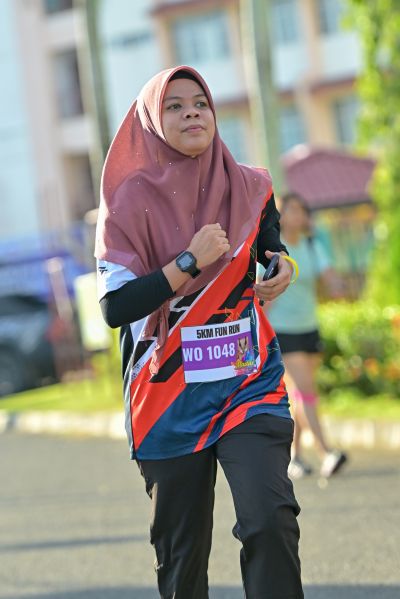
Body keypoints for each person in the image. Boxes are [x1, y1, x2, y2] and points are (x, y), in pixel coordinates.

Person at [95, 65, 304, 599]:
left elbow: (270, 245)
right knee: (182, 559)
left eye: (200, 103)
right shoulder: (125, 202)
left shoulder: (250, 186)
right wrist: (187, 262)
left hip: (247, 382)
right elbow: (115, 306)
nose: (192, 113)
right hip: (166, 396)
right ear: (151, 119)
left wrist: (281, 266)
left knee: (270, 519)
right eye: (175, 105)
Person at [260, 192, 348, 480]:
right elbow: (263, 292)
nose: (298, 215)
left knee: (302, 394)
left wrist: (338, 285)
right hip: (283, 331)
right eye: (292, 210)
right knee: (305, 389)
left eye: (301, 210)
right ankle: (326, 452)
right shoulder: (271, 251)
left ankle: (294, 458)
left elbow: (330, 276)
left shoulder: (312, 245)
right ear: (280, 215)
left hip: (309, 328)